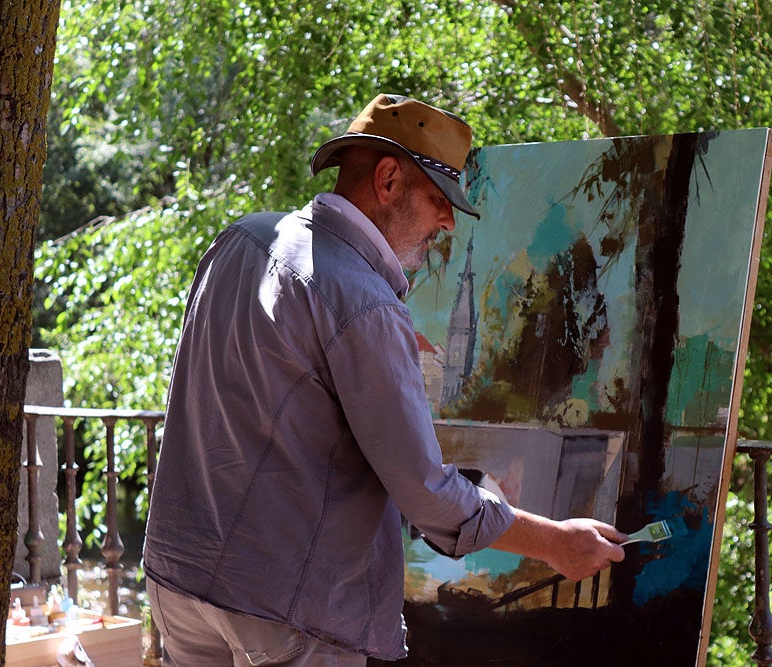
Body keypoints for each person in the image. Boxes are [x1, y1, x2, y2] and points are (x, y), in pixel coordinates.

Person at [142, 94, 625, 666]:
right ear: (389, 179)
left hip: (180, 579)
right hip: (285, 607)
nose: (448, 220)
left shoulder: (240, 241)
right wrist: (556, 543)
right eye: (438, 199)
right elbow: (426, 492)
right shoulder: (362, 301)